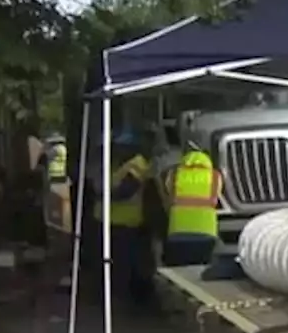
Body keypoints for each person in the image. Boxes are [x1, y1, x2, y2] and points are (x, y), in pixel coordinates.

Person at [93, 131, 152, 305]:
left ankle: (124, 300)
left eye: (120, 147)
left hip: (127, 223)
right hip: (109, 222)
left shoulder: (137, 164)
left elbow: (126, 190)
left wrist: (103, 195)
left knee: (123, 265)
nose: (116, 150)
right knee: (112, 264)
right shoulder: (118, 164)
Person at [162, 144, 221, 267]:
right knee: (200, 269)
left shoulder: (174, 174)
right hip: (206, 232)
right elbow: (216, 198)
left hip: (177, 231)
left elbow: (168, 195)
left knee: (179, 270)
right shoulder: (215, 176)